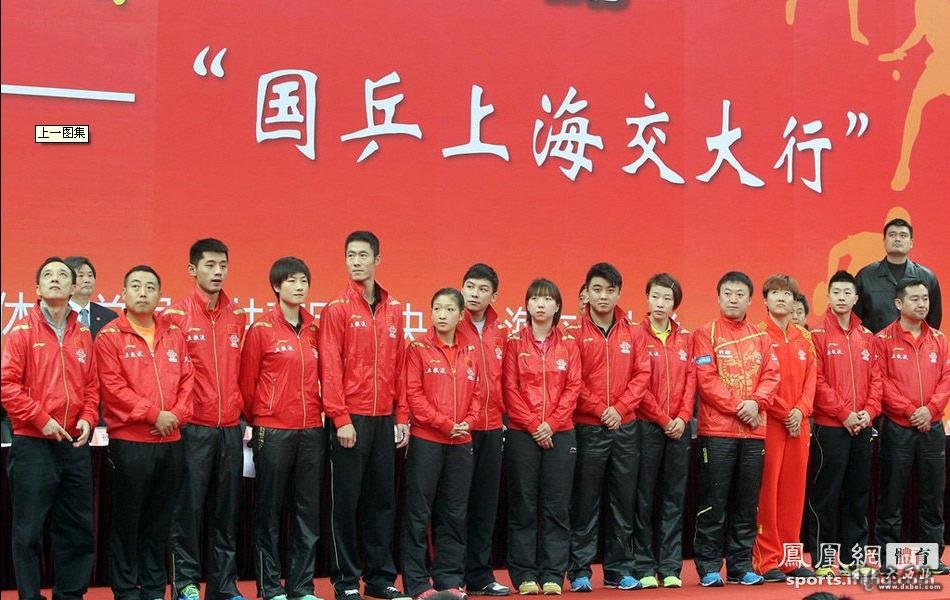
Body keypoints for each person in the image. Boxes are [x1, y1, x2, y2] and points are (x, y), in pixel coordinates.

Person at [1, 257, 100, 600]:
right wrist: (41, 419)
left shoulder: (83, 333)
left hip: (74, 444)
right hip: (33, 443)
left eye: (62, 275)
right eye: (47, 275)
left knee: (77, 529)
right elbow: (7, 386)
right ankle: (30, 596)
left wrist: (88, 417)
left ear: (73, 288)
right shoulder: (21, 331)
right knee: (28, 531)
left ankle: (69, 595)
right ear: (38, 288)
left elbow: (92, 386)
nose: (55, 279)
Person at [319, 231, 410, 600]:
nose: (356, 262)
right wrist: (340, 418)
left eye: (362, 255)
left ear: (377, 259)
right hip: (350, 420)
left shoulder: (394, 310)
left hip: (384, 419)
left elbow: (401, 367)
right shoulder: (336, 308)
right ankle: (345, 581)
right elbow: (329, 366)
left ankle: (379, 578)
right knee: (345, 503)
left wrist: (401, 416)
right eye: (350, 255)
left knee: (382, 502)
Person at [96, 265, 194, 600]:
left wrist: (175, 416)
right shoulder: (109, 336)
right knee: (128, 520)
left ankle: (153, 589)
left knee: (160, 521)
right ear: (123, 293)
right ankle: (126, 590)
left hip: (171, 442)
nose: (143, 292)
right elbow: (113, 388)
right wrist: (154, 414)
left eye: (150, 287)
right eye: (136, 286)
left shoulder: (174, 333)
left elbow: (188, 380)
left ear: (160, 295)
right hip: (131, 443)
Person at [165, 239, 248, 600]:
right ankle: (185, 583)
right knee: (188, 510)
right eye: (210, 265)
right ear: (192, 269)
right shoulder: (175, 316)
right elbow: (171, 375)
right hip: (193, 427)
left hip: (229, 427)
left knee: (225, 512)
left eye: (222, 266)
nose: (217, 272)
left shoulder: (237, 316)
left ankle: (223, 585)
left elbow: (243, 373)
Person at [240, 257, 326, 600]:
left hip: (311, 430)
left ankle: (302, 586)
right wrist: (264, 415)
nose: (299, 286)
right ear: (276, 286)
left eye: (303, 281)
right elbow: (247, 384)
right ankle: (270, 586)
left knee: (307, 513)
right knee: (269, 512)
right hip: (272, 430)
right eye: (291, 281)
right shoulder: (261, 328)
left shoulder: (316, 329)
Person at [565, 263, 650, 592]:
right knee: (585, 502)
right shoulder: (573, 332)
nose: (603, 296)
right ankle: (580, 571)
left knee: (622, 501)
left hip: (625, 428)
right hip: (588, 427)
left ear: (619, 293)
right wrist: (602, 410)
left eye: (610, 291)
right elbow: (573, 381)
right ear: (586, 292)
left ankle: (619, 569)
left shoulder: (634, 331)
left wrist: (620, 409)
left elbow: (642, 375)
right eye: (597, 290)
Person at [691, 271, 779, 587]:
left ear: (750, 300)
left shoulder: (761, 337)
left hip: (754, 433)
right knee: (713, 502)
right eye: (727, 293)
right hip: (717, 433)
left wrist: (756, 403)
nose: (733, 299)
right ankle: (709, 566)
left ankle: (741, 566)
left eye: (739, 294)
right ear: (718, 297)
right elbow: (706, 380)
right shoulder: (705, 333)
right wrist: (741, 407)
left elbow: (772, 375)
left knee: (746, 504)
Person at [401, 288, 484, 600]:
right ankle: (416, 582)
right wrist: (445, 424)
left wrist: (469, 421)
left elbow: (478, 394)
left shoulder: (470, 351)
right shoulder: (418, 348)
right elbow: (414, 395)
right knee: (418, 513)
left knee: (454, 513)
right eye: (437, 308)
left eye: (449, 309)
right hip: (427, 441)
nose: (442, 315)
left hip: (461, 442)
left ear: (460, 315)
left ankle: (449, 578)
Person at [503, 278, 582, 596]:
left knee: (556, 507)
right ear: (526, 305)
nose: (540, 304)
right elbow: (509, 388)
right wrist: (535, 424)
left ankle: (552, 574)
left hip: (560, 433)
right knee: (523, 506)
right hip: (523, 433)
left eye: (547, 299)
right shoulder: (514, 343)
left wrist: (552, 423)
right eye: (535, 298)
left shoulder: (569, 344)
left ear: (557, 306)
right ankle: (524, 574)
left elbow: (573, 387)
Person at [806, 271, 881, 576]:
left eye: (847, 293)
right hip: (830, 427)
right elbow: (817, 381)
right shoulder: (816, 335)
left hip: (862, 426)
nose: (841, 297)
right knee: (826, 494)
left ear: (855, 298)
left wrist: (868, 412)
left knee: (858, 493)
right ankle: (824, 559)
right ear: (829, 296)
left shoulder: (867, 337)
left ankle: (854, 558)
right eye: (836, 292)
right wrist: (843, 413)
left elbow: (877, 380)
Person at [873, 279, 950, 574]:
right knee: (892, 496)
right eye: (915, 299)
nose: (922, 304)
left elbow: (946, 379)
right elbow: (881, 382)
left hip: (932, 427)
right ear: (898, 303)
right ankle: (889, 559)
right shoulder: (882, 340)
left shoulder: (939, 339)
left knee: (932, 497)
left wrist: (929, 410)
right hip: (897, 427)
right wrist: (909, 411)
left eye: (925, 299)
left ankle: (931, 557)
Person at [751, 275, 817, 582]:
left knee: (794, 492)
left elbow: (812, 380)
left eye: (787, 294)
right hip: (770, 423)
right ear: (765, 300)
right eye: (775, 293)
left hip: (798, 425)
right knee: (768, 492)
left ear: (795, 301)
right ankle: (766, 560)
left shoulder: (804, 337)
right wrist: (783, 411)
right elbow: (758, 380)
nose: (781, 298)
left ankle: (791, 558)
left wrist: (800, 410)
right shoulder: (758, 334)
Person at [632, 273, 695, 589]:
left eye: (667, 299)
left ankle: (670, 566)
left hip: (679, 429)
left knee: (673, 498)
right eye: (655, 296)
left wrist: (682, 418)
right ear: (647, 298)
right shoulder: (635, 335)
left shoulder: (685, 338)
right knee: (644, 498)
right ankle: (644, 565)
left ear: (675, 305)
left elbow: (691, 381)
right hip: (647, 426)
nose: (660, 303)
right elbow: (637, 384)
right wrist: (662, 418)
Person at [457, 264, 511, 597]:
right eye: (470, 286)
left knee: (484, 504)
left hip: (492, 427)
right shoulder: (451, 322)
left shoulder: (501, 331)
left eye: (482, 289)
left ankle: (479, 574)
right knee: (454, 505)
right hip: (459, 429)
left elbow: (506, 380)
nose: (474, 294)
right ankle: (449, 573)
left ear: (494, 295)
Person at [854, 218, 941, 333]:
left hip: (915, 343)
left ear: (911, 242)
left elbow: (934, 319)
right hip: (874, 343)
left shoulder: (927, 277)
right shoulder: (865, 276)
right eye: (892, 235)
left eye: (903, 235)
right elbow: (854, 318)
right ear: (884, 241)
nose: (897, 239)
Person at [65, 255, 118, 337]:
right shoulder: (59, 315)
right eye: (80, 276)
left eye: (90, 276)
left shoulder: (109, 316)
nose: (87, 280)